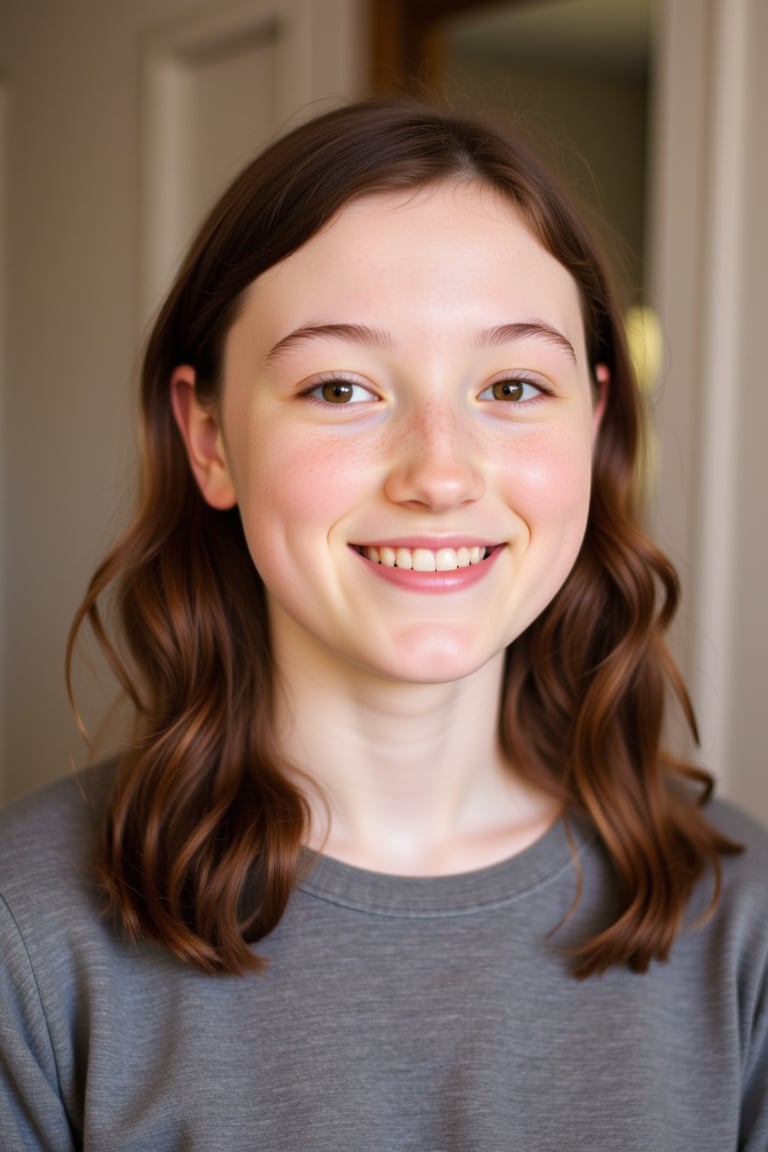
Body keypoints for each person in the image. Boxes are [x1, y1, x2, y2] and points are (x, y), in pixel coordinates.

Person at [0, 99, 765, 1152]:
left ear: (592, 423)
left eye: (510, 384)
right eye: (341, 386)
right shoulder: (25, 935)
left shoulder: (748, 933)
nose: (440, 473)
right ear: (211, 437)